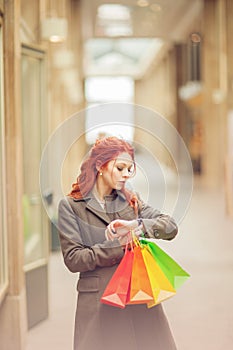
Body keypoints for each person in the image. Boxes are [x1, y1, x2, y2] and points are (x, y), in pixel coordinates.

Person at [58, 136, 178, 350]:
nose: (126, 175)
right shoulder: (70, 206)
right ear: (100, 166)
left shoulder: (131, 200)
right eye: (120, 167)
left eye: (129, 169)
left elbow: (170, 227)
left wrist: (137, 225)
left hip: (138, 301)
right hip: (99, 305)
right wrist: (119, 246)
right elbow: (74, 259)